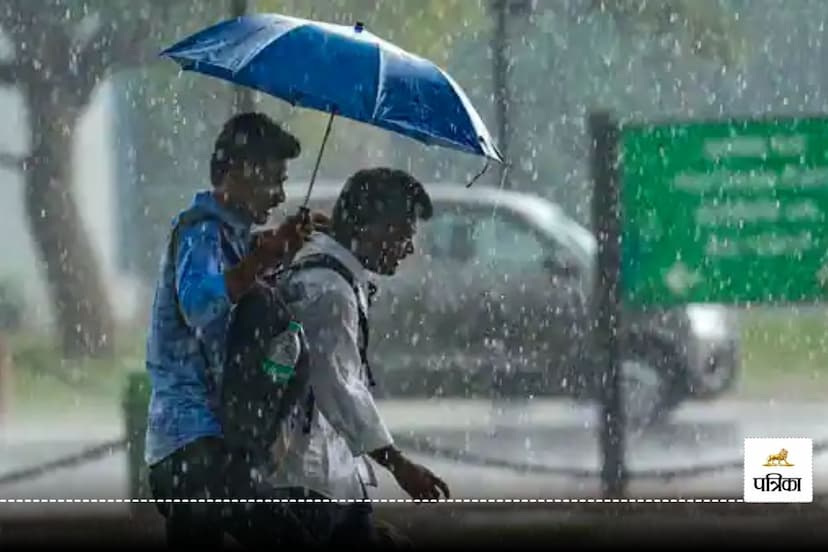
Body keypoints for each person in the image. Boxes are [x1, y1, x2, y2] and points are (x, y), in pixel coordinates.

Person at [143, 112, 325, 548]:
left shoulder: (234, 236)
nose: (280, 194)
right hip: (191, 444)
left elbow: (247, 304)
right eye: (274, 180)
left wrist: (277, 252)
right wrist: (258, 263)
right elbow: (200, 304)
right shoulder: (200, 233)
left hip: (211, 445)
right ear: (242, 172)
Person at [265, 167, 451, 547]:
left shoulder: (313, 263)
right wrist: (399, 465)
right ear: (372, 228)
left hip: (324, 474)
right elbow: (341, 388)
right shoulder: (331, 292)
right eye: (404, 234)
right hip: (311, 478)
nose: (409, 248)